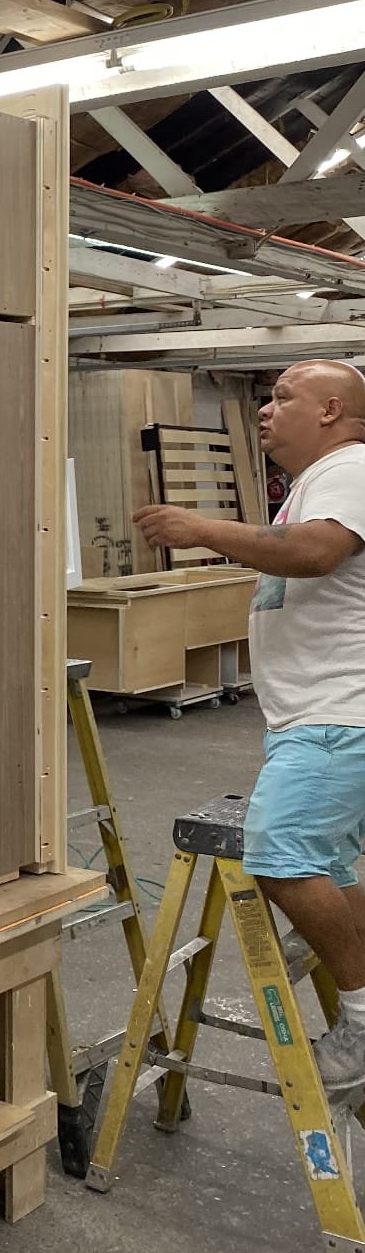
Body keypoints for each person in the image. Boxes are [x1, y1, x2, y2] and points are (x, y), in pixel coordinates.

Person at [135, 359, 365, 1092]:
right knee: (330, 865)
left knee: (281, 856)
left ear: (331, 410)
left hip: (337, 714)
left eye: (283, 397)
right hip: (318, 715)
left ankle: (364, 1022)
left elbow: (316, 553)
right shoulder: (315, 480)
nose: (266, 409)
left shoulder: (349, 469)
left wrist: (200, 527)